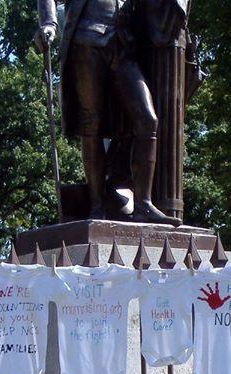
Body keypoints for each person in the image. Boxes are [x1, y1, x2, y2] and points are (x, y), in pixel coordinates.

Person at [36, 0, 182, 226]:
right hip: (86, 40)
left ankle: (143, 204)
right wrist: (49, 23)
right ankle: (96, 205)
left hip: (122, 42)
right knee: (91, 124)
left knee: (147, 119)